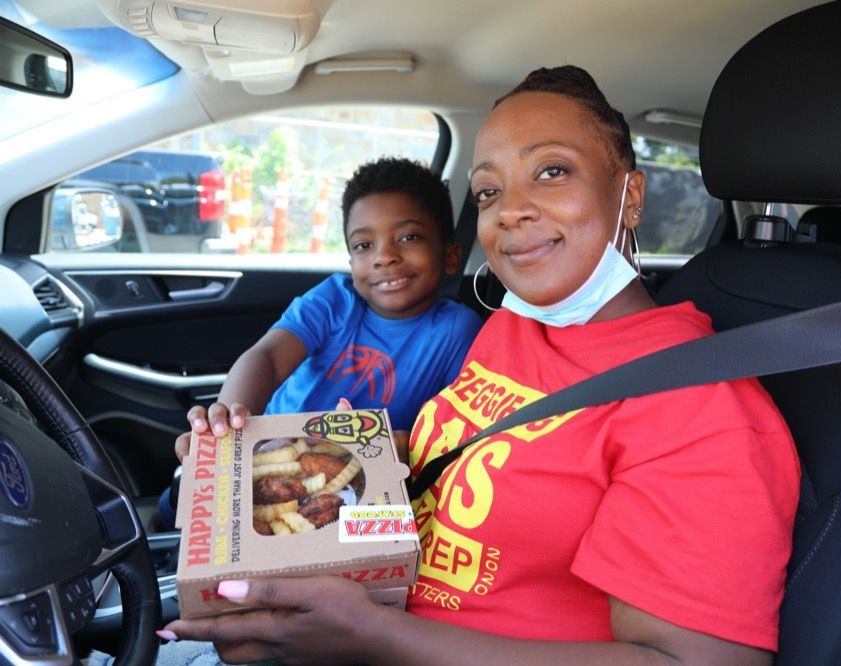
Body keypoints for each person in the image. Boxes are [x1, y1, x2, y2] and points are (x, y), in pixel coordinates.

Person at [162, 66, 800, 665]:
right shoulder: (515, 327)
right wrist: (261, 470)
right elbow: (460, 464)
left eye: (552, 171)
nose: (509, 211)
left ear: (629, 197)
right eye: (489, 190)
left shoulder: (699, 406)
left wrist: (372, 635)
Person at [169, 156, 482, 467]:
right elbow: (269, 359)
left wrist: (394, 446)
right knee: (175, 502)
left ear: (451, 257)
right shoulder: (336, 300)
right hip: (268, 456)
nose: (384, 257)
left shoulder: (458, 330)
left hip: (361, 478)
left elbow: (453, 428)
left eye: (408, 237)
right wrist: (229, 419)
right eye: (363, 245)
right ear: (350, 262)